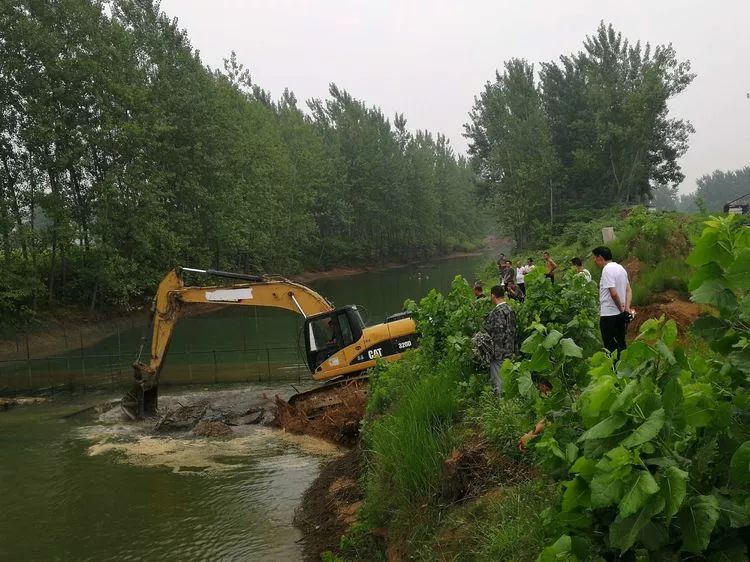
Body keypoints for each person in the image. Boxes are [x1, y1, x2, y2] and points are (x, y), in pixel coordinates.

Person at [592, 246, 632, 355]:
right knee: (621, 344)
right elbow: (628, 290)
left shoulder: (606, 269)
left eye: (595, 258)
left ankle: (614, 370)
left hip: (609, 315)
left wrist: (621, 309)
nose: (595, 261)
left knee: (610, 347)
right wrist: (626, 309)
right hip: (620, 316)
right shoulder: (621, 268)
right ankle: (624, 368)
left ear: (600, 257)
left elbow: (613, 293)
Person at [483, 285, 517, 396]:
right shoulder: (510, 310)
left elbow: (490, 332)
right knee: (508, 376)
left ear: (493, 295)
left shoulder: (495, 313)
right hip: (510, 349)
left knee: (498, 380)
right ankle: (511, 400)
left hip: (498, 352)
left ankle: (501, 404)